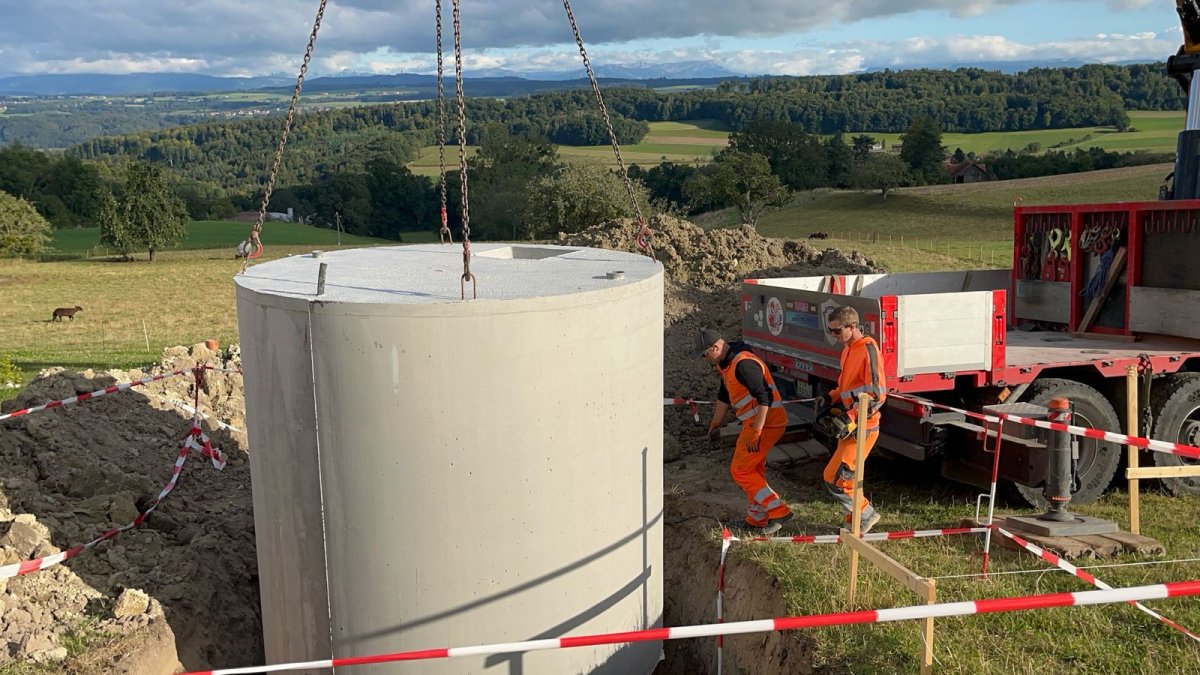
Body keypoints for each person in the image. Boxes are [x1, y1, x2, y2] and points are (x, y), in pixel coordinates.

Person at [694, 327, 794, 535]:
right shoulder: (727, 364)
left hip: (765, 424)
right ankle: (757, 518)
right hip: (757, 422)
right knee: (754, 469)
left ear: (715, 347)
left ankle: (778, 511)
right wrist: (715, 423)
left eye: (705, 354)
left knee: (741, 470)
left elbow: (764, 397)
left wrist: (756, 432)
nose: (705, 359)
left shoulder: (744, 365)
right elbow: (724, 395)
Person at [815, 306, 886, 533]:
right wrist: (831, 397)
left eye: (836, 331)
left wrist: (852, 416)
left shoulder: (868, 349)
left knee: (837, 479)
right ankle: (853, 522)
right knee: (841, 476)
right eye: (830, 330)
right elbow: (847, 386)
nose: (833, 336)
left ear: (852, 326)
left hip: (864, 426)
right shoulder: (848, 350)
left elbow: (877, 395)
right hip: (851, 427)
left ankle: (866, 515)